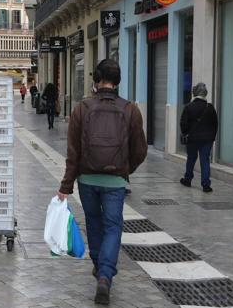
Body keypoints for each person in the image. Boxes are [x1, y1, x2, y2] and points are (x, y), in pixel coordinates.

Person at [57, 59, 147, 305]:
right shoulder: (130, 109)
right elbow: (140, 149)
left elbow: (73, 153)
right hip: (115, 182)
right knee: (113, 226)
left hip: (87, 179)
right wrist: (125, 169)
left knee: (94, 224)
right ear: (117, 82)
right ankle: (105, 275)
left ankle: (100, 267)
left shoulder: (81, 108)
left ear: (96, 80)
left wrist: (66, 186)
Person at [179, 82, 218, 193]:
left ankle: (188, 179)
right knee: (205, 160)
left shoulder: (189, 107)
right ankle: (206, 184)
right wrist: (212, 137)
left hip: (192, 139)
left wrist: (186, 133)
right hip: (207, 140)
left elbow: (183, 124)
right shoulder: (210, 108)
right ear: (205, 94)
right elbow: (215, 124)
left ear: (194, 93)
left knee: (191, 158)